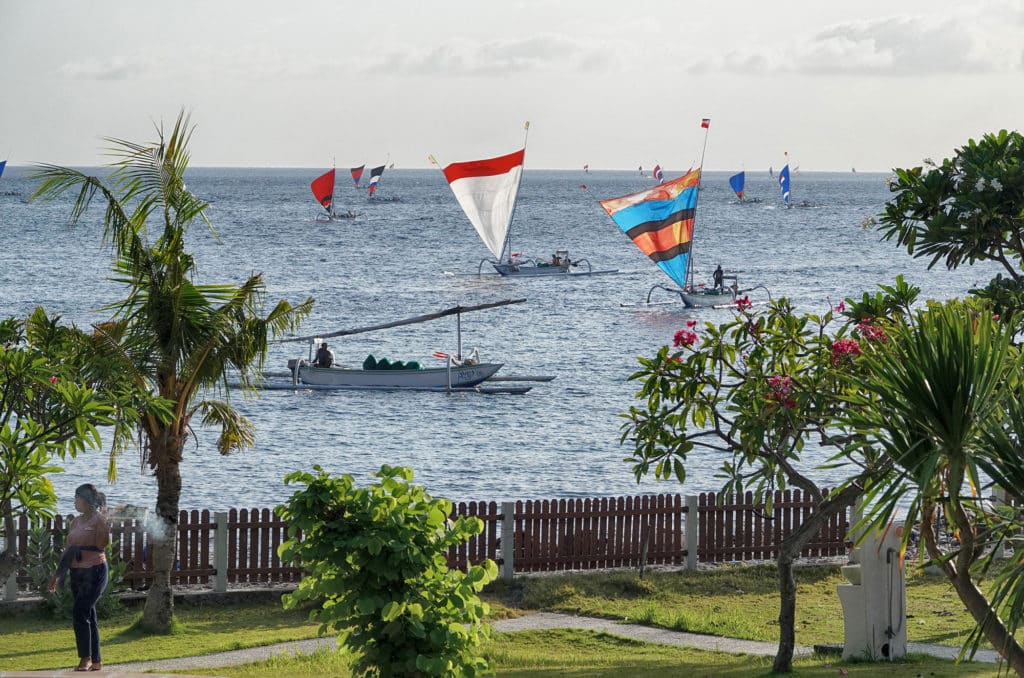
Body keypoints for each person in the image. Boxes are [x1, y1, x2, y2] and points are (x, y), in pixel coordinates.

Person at [48, 484, 109, 672]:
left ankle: (86, 658)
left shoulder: (99, 520)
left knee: (79, 612)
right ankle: (96, 660)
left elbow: (102, 544)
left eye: (77, 498)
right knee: (88, 613)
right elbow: (69, 550)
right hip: (77, 573)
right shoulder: (76, 522)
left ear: (87, 500)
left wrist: (105, 525)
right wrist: (58, 575)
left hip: (95, 571)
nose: (75, 501)